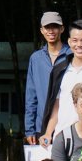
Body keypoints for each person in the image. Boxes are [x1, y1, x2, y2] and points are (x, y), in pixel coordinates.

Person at [24, 11, 71, 144]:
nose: (51, 31)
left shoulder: (72, 55)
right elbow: (31, 95)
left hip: (69, 122)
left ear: (62, 29)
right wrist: (29, 129)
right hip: (41, 124)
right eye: (47, 27)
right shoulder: (36, 58)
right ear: (41, 30)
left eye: (55, 26)